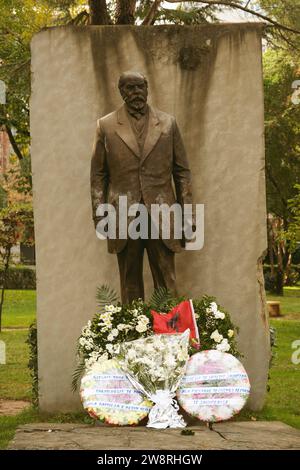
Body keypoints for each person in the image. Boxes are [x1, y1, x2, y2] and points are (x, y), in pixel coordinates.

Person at [90, 71, 194, 303]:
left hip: (162, 211)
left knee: (166, 280)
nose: (136, 92)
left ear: (147, 89)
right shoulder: (106, 126)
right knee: (129, 281)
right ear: (121, 91)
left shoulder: (168, 123)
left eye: (140, 87)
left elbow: (182, 172)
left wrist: (188, 215)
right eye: (130, 88)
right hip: (123, 214)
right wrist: (100, 215)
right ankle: (133, 333)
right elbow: (98, 175)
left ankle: (169, 332)